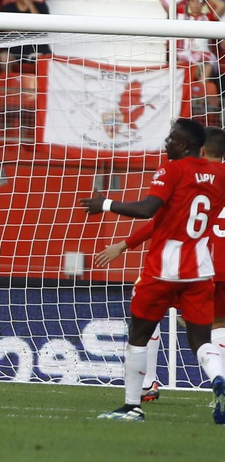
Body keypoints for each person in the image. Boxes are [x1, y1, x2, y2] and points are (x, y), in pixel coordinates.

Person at [82, 120, 225, 422]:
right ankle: (218, 379)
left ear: (185, 145)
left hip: (163, 269)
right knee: (202, 340)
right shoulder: (219, 175)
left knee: (139, 333)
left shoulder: (171, 169)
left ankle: (133, 404)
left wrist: (105, 203)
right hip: (201, 270)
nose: (167, 142)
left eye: (173, 138)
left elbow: (148, 210)